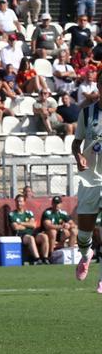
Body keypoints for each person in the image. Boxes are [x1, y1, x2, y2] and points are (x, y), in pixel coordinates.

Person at [71, 95, 102, 288]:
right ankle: (86, 254)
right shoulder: (87, 113)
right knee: (83, 234)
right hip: (90, 179)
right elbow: (76, 143)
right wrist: (79, 156)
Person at [9, 194, 48, 264]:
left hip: (32, 233)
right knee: (30, 238)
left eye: (21, 201)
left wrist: (21, 223)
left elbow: (33, 225)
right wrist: (27, 225)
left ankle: (45, 258)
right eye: (17, 201)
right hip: (21, 235)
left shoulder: (29, 213)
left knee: (44, 236)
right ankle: (37, 259)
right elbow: (16, 227)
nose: (19, 203)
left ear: (24, 202)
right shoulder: (12, 214)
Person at [40, 195, 75, 260]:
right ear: (52, 204)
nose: (57, 205)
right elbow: (47, 226)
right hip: (48, 233)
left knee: (71, 231)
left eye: (58, 203)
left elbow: (72, 223)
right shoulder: (47, 212)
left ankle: (70, 253)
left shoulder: (63, 213)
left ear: (61, 204)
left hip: (60, 234)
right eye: (55, 203)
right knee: (53, 231)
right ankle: (51, 254)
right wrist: (61, 226)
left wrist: (68, 225)